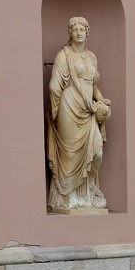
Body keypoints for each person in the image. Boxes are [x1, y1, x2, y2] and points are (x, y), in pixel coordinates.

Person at [46, 16, 112, 211]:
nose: (79, 32)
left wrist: (101, 102)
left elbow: (93, 86)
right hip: (69, 105)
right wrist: (56, 111)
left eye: (82, 29)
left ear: (87, 32)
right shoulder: (63, 56)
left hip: (88, 109)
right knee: (71, 154)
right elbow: (53, 86)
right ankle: (69, 196)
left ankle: (89, 189)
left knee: (97, 151)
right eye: (75, 29)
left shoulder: (92, 57)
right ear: (70, 33)